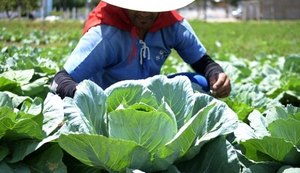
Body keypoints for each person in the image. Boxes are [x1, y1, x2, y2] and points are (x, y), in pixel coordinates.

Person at [51, 0, 231, 99]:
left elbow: (204, 63)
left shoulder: (172, 25)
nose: (144, 13)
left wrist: (216, 74)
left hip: (148, 96)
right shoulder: (105, 33)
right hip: (108, 103)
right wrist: (87, 99)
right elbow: (60, 80)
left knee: (202, 83)